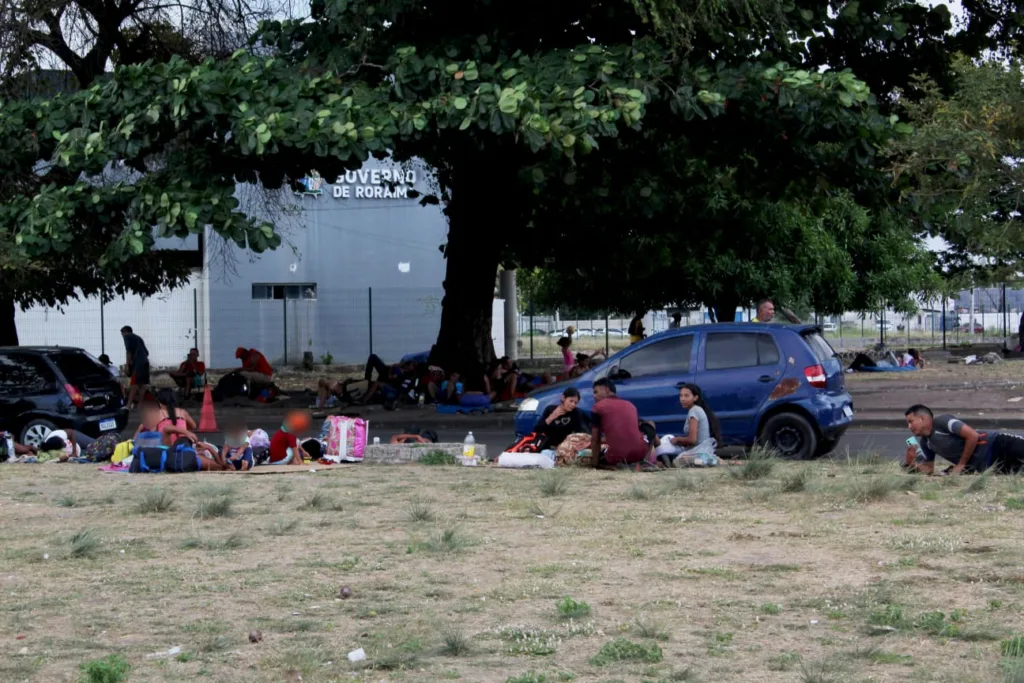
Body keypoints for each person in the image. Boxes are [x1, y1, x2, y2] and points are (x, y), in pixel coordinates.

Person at [904, 404, 1024, 475]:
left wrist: (961, 464)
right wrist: (912, 463)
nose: (909, 426)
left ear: (922, 418)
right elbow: (929, 470)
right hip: (991, 465)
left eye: (911, 422)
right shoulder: (925, 443)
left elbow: (972, 435)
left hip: (999, 445)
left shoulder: (942, 421)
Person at [589, 378, 652, 468]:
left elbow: (595, 440)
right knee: (650, 426)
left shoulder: (597, 407)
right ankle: (645, 462)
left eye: (596, 392)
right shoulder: (630, 405)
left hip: (615, 457)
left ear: (607, 389)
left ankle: (642, 463)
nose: (594, 396)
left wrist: (595, 465)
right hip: (638, 455)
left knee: (604, 454)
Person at [654, 384, 722, 467]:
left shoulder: (694, 411)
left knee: (677, 462)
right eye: (681, 396)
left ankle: (708, 460)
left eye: (686, 396)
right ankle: (708, 460)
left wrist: (677, 439)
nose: (682, 399)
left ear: (695, 397)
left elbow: (692, 440)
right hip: (699, 449)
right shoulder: (696, 409)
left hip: (699, 450)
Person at [121, 325, 151, 410]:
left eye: (122, 334)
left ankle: (129, 405)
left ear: (124, 332)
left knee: (134, 384)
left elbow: (128, 351)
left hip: (138, 364)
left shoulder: (127, 337)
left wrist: (127, 365)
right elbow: (147, 352)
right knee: (142, 384)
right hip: (145, 362)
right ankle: (140, 404)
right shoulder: (139, 338)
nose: (122, 336)